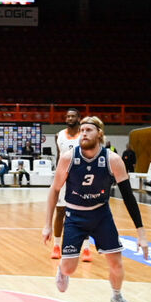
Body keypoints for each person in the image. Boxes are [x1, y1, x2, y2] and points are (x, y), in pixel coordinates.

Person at [42, 116, 148, 302]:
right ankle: (63, 269)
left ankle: (117, 296)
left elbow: (128, 197)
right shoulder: (68, 158)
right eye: (82, 130)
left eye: (88, 130)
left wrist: (141, 233)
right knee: (69, 269)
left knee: (116, 262)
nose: (83, 133)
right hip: (75, 216)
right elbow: (54, 190)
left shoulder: (112, 160)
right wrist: (47, 224)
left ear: (99, 133)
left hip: (101, 215)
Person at [51, 108, 91, 262]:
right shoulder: (59, 135)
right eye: (67, 116)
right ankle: (56, 246)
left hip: (81, 178)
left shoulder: (85, 135)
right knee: (60, 212)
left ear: (79, 118)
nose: (70, 118)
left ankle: (86, 249)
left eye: (73, 116)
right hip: (64, 177)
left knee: (84, 213)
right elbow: (58, 157)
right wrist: (57, 178)